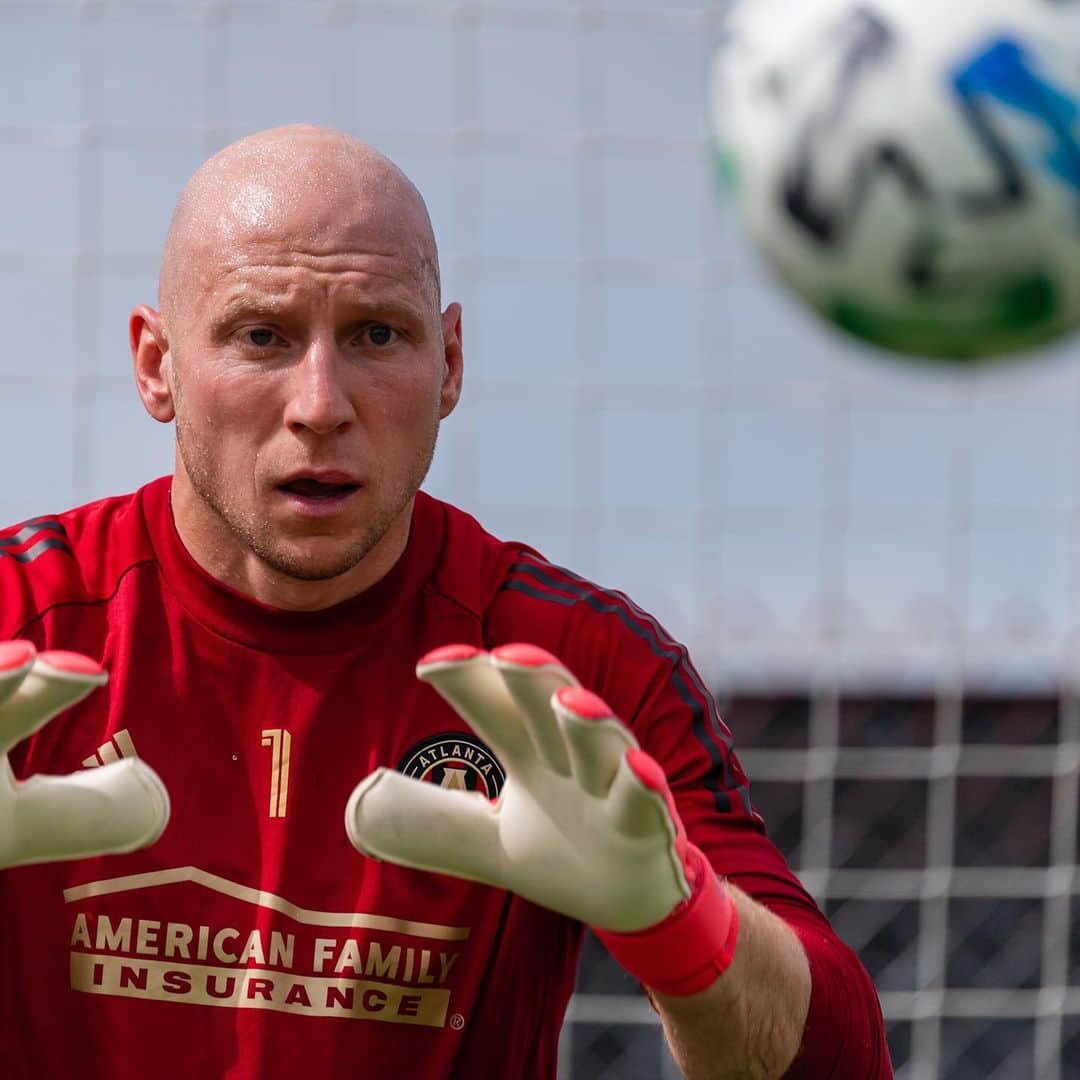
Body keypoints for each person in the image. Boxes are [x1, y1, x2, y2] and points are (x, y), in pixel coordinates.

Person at [0, 125, 890, 1078]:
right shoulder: (19, 623)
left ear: (450, 363)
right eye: (261, 336)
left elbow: (843, 1063)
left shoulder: (574, 669)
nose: (321, 403)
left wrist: (680, 924)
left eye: (376, 335)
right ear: (156, 365)